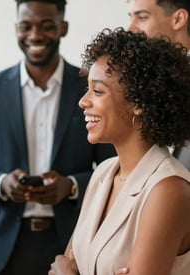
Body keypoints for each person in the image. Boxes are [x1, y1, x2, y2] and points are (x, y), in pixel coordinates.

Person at [0, 0, 116, 274]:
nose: (34, 35)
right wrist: (1, 184)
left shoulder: (89, 87)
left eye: (46, 26)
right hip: (5, 249)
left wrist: (70, 186)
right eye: (26, 26)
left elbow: (114, 167)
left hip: (72, 243)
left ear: (63, 27)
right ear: (16, 29)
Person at [49, 27, 190, 275]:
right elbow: (66, 262)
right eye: (87, 88)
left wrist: (65, 271)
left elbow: (64, 267)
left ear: (139, 104)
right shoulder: (103, 173)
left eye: (98, 90)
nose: (83, 101)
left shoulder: (169, 190)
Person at [127, 0, 190, 170]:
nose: (130, 29)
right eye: (131, 17)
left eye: (142, 17)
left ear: (178, 19)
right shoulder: (150, 78)